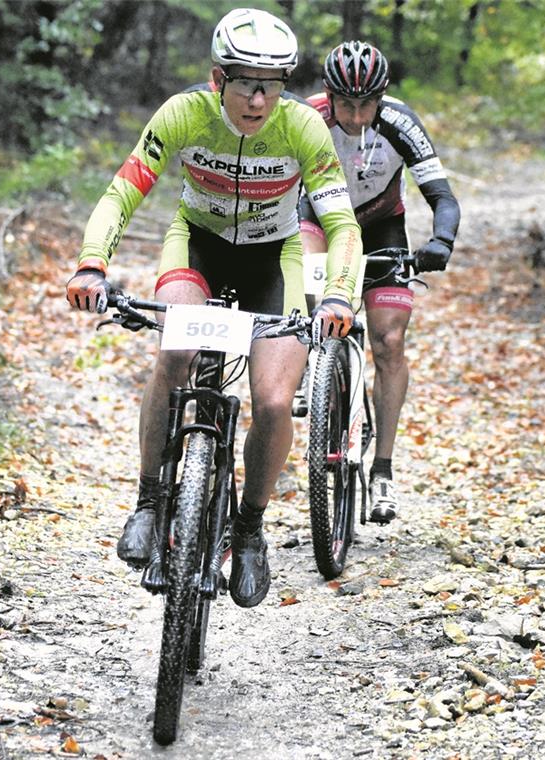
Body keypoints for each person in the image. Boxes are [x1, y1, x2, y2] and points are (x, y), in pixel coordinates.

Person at [66, 9, 362, 608]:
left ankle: (249, 529)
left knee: (276, 400)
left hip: (273, 260)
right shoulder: (184, 114)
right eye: (246, 82)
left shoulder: (302, 127)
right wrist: (94, 261)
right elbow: (123, 191)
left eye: (273, 83)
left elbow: (341, 223)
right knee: (175, 353)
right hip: (196, 245)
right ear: (216, 79)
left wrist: (338, 294)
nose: (258, 98)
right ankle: (150, 500)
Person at [299, 41, 460, 525]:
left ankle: (383, 468)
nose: (355, 113)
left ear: (382, 97)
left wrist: (442, 241)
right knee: (312, 285)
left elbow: (443, 197)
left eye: (366, 102)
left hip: (382, 226)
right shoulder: (307, 118)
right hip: (319, 220)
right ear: (329, 95)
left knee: (389, 340)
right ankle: (314, 365)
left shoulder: (399, 123)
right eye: (344, 102)